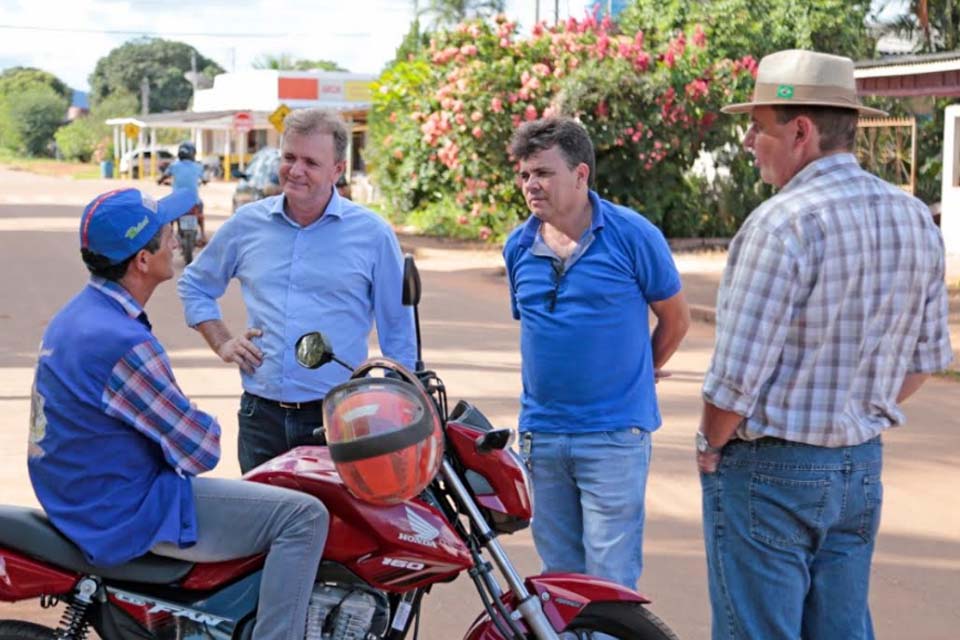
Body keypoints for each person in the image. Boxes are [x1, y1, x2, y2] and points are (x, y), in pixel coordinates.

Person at [698, 49, 953, 640]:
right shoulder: (913, 216)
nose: (748, 142)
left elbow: (735, 382)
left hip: (772, 468)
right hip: (860, 465)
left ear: (800, 131)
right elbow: (924, 362)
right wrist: (854, 408)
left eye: (758, 127)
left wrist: (710, 446)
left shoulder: (780, 223)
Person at [29, 188, 329, 640]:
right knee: (304, 517)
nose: (176, 241)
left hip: (82, 493)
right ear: (142, 261)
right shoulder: (120, 342)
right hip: (122, 508)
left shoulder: (79, 316)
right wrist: (198, 419)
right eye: (165, 233)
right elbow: (200, 449)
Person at [503, 117, 690, 589]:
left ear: (581, 174)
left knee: (609, 580)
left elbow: (676, 319)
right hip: (542, 437)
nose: (531, 184)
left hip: (613, 436)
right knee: (559, 579)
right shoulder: (518, 247)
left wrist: (641, 372)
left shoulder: (632, 235)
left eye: (543, 172)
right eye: (525, 174)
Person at [178, 108, 416, 473]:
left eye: (311, 162)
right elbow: (195, 283)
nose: (296, 170)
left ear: (338, 170)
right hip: (261, 417)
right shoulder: (248, 224)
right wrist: (222, 340)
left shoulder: (372, 234)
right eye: (289, 157)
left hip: (338, 421)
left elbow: (398, 328)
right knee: (261, 528)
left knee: (334, 529)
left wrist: (404, 406)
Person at [159, 141, 207, 244]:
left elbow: (164, 176)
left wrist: (160, 181)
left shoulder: (174, 166)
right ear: (193, 153)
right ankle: (203, 235)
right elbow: (204, 178)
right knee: (200, 213)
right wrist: (205, 181)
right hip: (194, 200)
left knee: (170, 216)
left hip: (177, 200)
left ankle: (169, 238)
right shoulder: (198, 166)